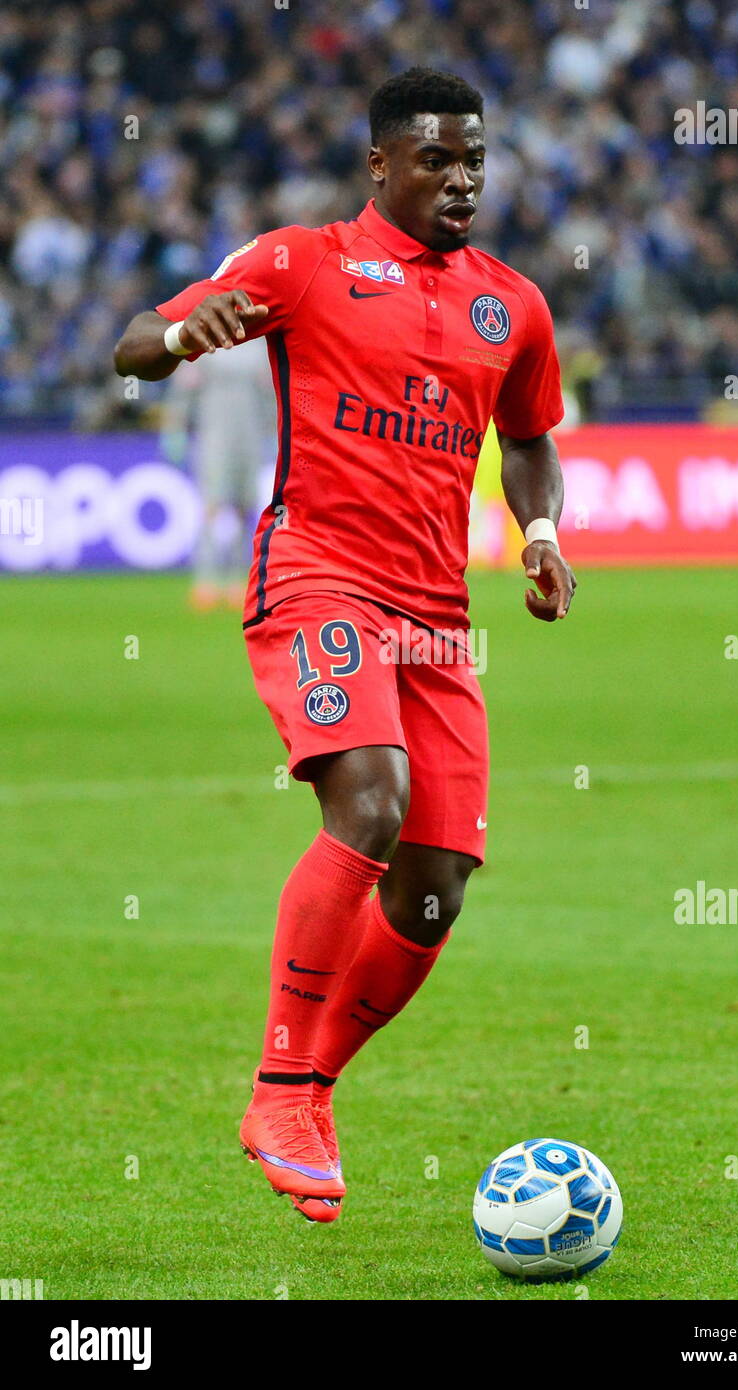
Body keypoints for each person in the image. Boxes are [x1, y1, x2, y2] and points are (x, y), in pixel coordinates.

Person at [113, 67, 575, 1224]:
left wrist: (542, 530)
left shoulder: (510, 303)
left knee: (432, 896)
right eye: (435, 158)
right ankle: (275, 1087)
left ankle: (312, 1084)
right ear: (380, 164)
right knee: (367, 804)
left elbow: (526, 438)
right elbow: (133, 346)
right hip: (317, 573)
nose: (459, 178)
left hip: (436, 617)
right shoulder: (301, 261)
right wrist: (178, 330)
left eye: (473, 158)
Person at [159, 334, 274, 609]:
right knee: (212, 507)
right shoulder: (206, 343)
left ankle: (238, 580)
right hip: (214, 437)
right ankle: (206, 581)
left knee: (243, 510)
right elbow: (183, 392)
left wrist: (274, 430)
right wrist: (175, 428)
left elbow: (271, 395)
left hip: (250, 439)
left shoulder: (260, 348)